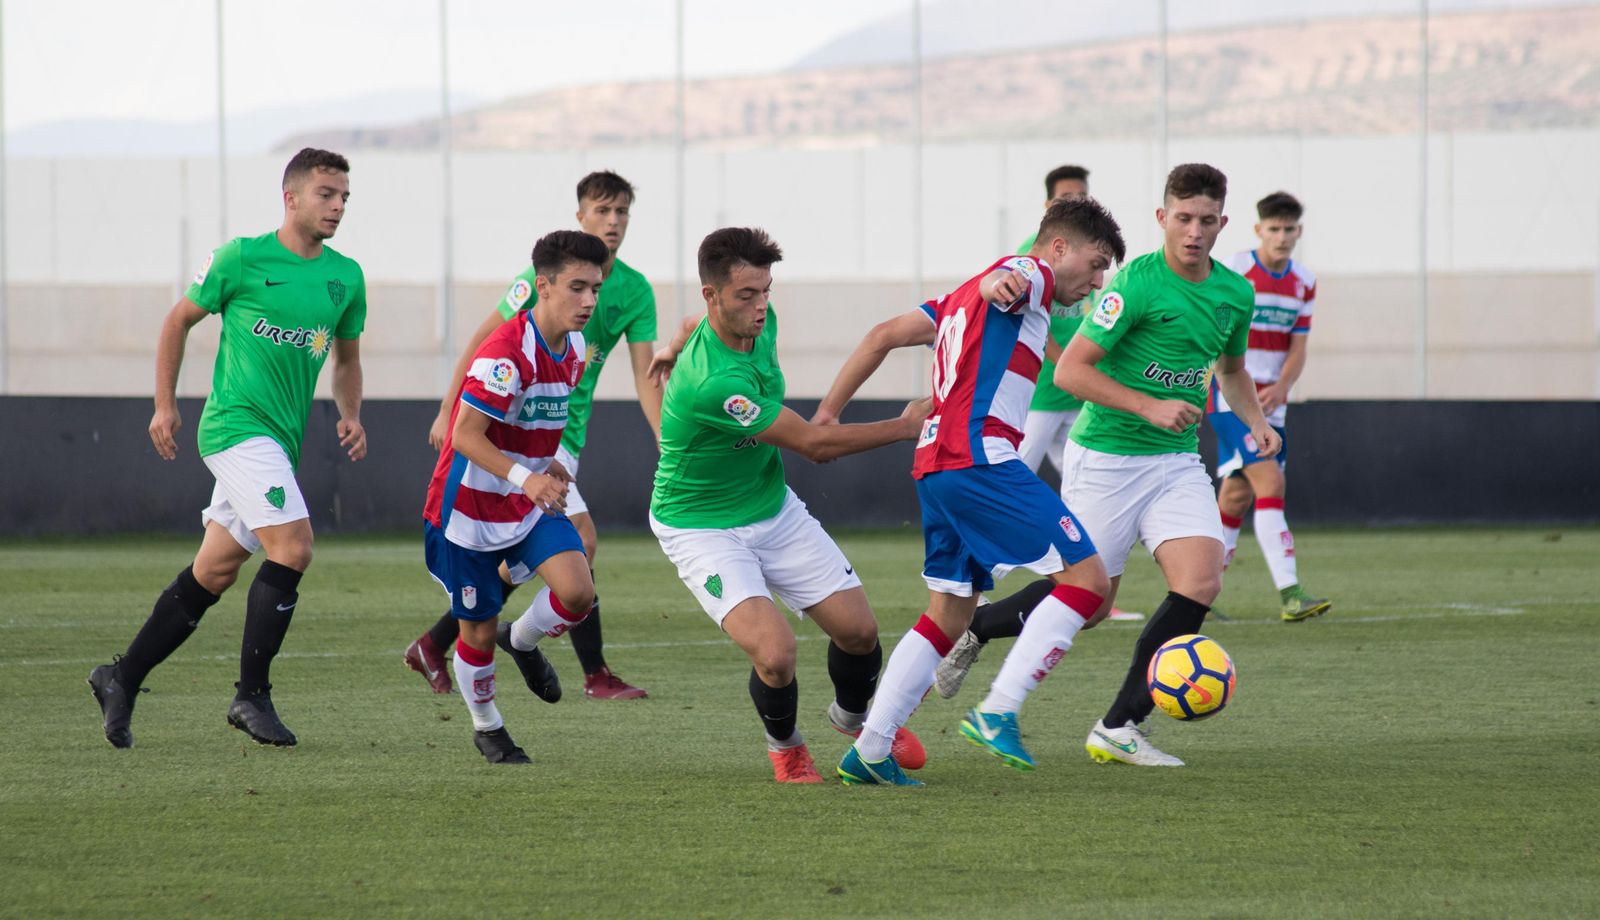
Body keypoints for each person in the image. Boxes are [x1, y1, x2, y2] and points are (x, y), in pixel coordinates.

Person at [830, 197, 1128, 785]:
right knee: (1090, 581)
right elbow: (1018, 277)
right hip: (979, 459)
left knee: (949, 611)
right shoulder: (1035, 275)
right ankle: (998, 710)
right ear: (1059, 247)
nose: (1095, 284)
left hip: (936, 465)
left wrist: (828, 415)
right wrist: (1006, 278)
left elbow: (883, 333)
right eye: (1094, 266)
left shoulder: (954, 299)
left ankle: (869, 750)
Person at [88, 148, 367, 749]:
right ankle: (251, 696)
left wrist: (351, 414)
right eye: (327, 194)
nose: (339, 206)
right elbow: (177, 321)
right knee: (293, 546)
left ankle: (120, 677)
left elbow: (347, 359)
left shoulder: (346, 276)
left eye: (345, 196)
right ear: (290, 197)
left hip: (279, 443)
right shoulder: (240, 258)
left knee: (213, 570)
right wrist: (165, 404)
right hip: (235, 430)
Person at [646, 227, 931, 784]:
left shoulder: (753, 322)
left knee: (859, 634)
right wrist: (904, 426)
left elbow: (688, 326)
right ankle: (787, 747)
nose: (760, 307)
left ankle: (853, 720)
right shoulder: (712, 384)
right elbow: (815, 446)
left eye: (766, 291)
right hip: (699, 526)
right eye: (746, 295)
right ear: (712, 295)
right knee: (775, 655)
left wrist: (670, 346)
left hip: (770, 506)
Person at [1055, 163, 1280, 767]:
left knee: (1201, 582)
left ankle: (1119, 725)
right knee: (1090, 605)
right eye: (1183, 218)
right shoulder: (1133, 285)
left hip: (1175, 463)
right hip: (1105, 459)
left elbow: (1231, 373)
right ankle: (971, 628)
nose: (1194, 232)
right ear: (1162, 218)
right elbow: (1070, 371)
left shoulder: (1236, 292)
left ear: (1223, 223)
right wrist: (1149, 405)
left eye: (1207, 221)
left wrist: (1256, 423)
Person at [406, 171, 656, 701]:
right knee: (579, 540)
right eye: (602, 210)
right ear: (581, 215)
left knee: (544, 551)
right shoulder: (541, 277)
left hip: (559, 436)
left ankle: (444, 638)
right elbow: (484, 342)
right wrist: (449, 411)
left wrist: (667, 440)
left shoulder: (634, 291)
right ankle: (568, 664)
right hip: (520, 437)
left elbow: (644, 374)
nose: (613, 222)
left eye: (622, 213)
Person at [422, 230, 607, 764]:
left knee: (577, 592)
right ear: (542, 287)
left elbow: (539, 418)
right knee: (473, 632)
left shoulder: (572, 348)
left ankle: (521, 640)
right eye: (577, 287)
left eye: (595, 287)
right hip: (467, 512)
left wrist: (544, 464)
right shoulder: (504, 354)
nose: (589, 300)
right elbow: (464, 435)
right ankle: (488, 726)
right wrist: (526, 477)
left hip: (524, 502)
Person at [1209, 191, 1331, 622]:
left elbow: (1298, 347)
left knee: (1237, 495)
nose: (1282, 237)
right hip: (1231, 397)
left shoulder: (1304, 281)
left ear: (1299, 231)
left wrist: (1283, 385)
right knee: (1271, 482)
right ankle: (1291, 594)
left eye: (1289, 229)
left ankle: (1196, 595)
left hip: (1273, 401)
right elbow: (1217, 334)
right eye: (1274, 229)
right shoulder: (1235, 271)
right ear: (1259, 230)